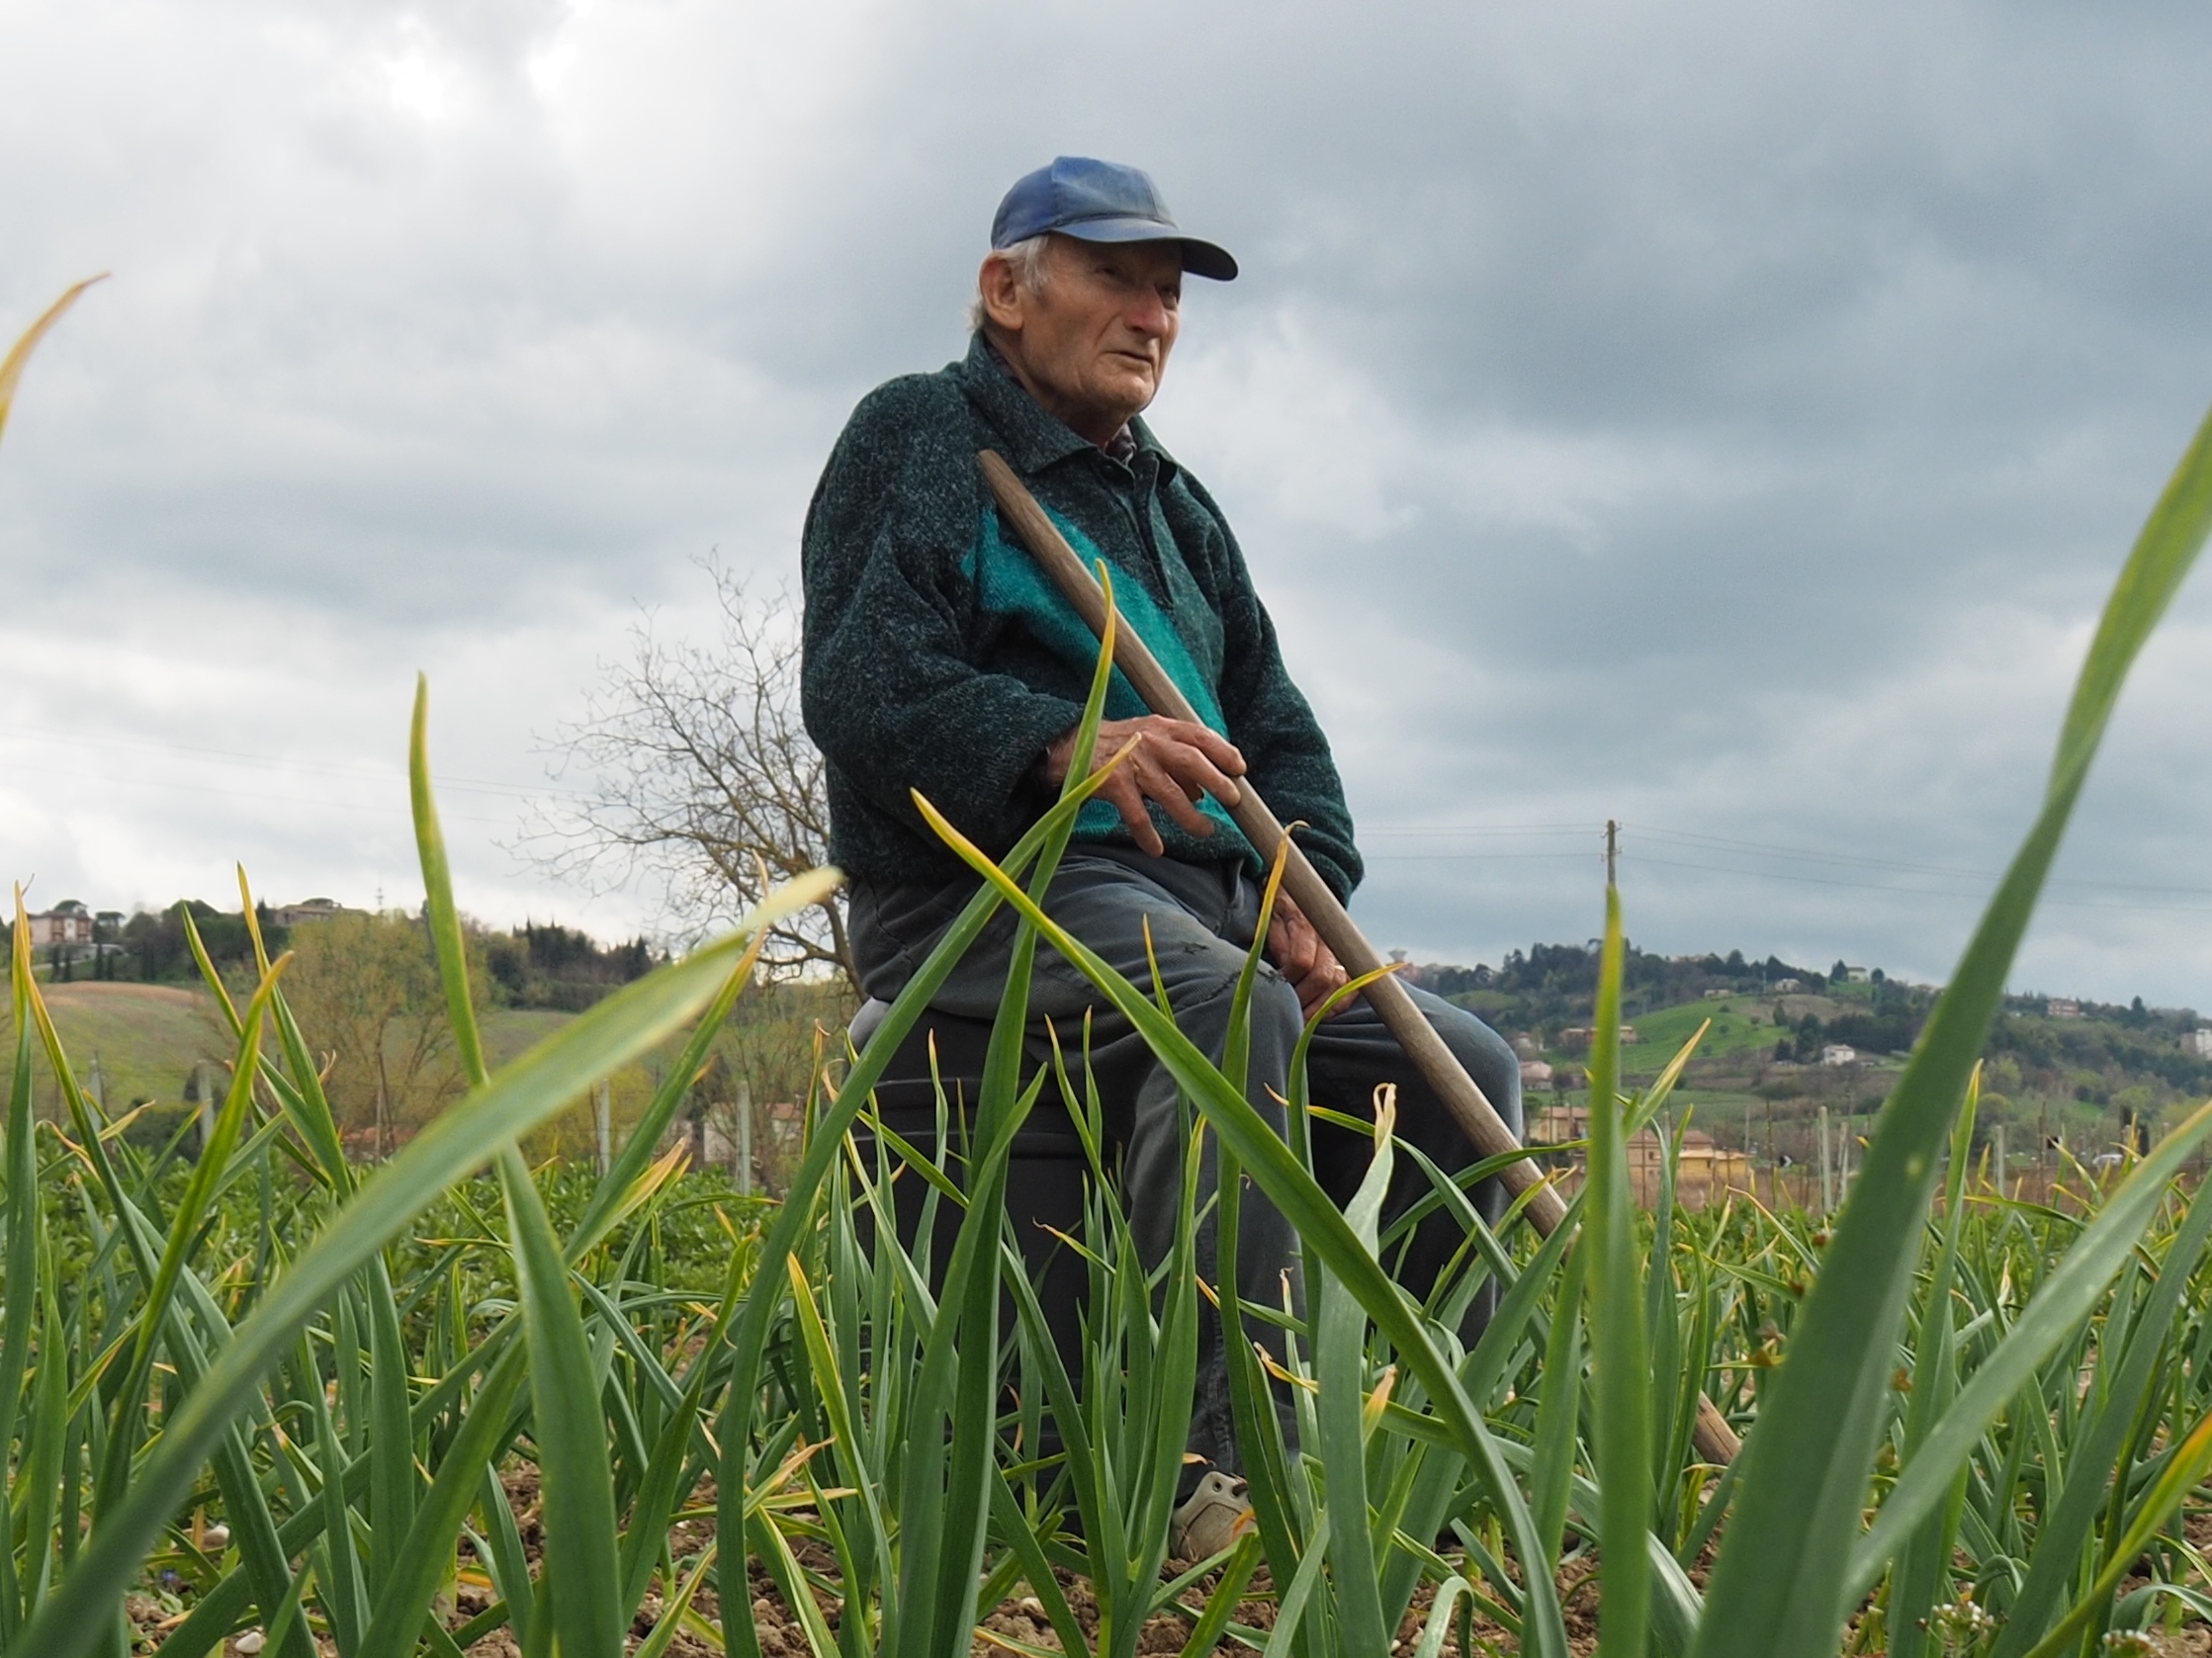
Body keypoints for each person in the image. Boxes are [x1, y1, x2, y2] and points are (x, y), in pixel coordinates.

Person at [800, 156, 1523, 1556]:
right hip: (990, 887)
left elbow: (1280, 739)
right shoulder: (924, 440)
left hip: (1190, 900)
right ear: (1007, 289)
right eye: (1118, 277)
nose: (1154, 315)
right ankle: (1214, 1463)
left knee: (1459, 1064)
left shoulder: (1176, 512)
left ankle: (1431, 1451)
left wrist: (1303, 886)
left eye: (1170, 292)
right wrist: (1065, 744)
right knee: (1214, 1011)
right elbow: (860, 685)